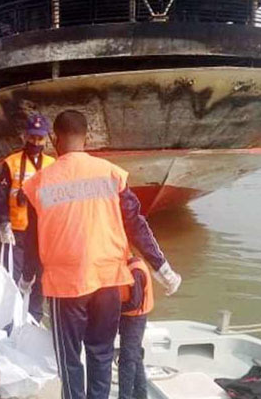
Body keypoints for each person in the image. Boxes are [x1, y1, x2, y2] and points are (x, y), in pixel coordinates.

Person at [21, 110, 182, 399]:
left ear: (55, 140)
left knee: (69, 359)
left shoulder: (39, 183)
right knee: (101, 354)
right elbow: (135, 224)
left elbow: (31, 241)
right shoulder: (110, 174)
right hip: (109, 283)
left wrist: (26, 280)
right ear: (87, 138)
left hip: (65, 286)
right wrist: (163, 268)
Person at [0, 114, 55, 322]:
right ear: (24, 136)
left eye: (39, 138)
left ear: (46, 139)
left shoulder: (52, 164)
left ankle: (34, 316)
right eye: (32, 137)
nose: (35, 142)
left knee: (40, 274)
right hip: (17, 231)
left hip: (42, 231)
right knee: (12, 274)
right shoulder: (10, 163)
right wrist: (3, 223)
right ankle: (11, 317)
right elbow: (2, 196)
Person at [118, 257, 154, 399]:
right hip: (131, 319)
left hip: (134, 320)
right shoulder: (131, 266)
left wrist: (113, 308)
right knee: (135, 356)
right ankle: (140, 393)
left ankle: (125, 396)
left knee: (127, 360)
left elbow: (134, 303)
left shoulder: (135, 271)